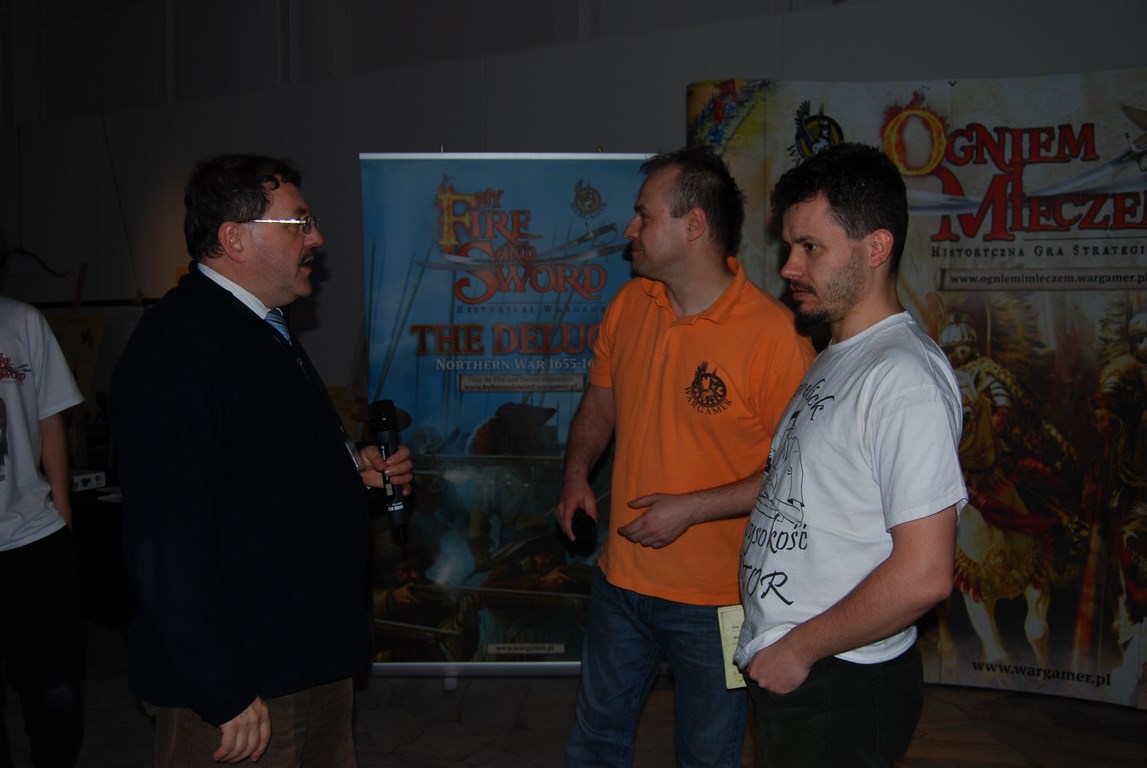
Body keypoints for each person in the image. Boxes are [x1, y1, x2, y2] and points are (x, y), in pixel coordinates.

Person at [110, 154, 413, 767]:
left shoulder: (260, 328)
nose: (316, 238)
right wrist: (221, 687)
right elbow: (165, 540)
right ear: (235, 239)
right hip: (246, 685)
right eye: (299, 222)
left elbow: (257, 472)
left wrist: (352, 474)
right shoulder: (180, 346)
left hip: (308, 659)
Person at [555, 146, 815, 767]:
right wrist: (575, 476)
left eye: (644, 215)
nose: (629, 229)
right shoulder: (630, 304)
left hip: (719, 603)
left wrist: (692, 509)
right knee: (594, 747)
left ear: (693, 225)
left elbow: (800, 476)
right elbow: (599, 403)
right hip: (619, 584)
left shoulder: (776, 338)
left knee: (707, 757)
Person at [734, 142, 967, 767]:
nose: (789, 266)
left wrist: (797, 650)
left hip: (839, 680)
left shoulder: (904, 379)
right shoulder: (840, 353)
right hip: (808, 671)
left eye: (811, 247)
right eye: (790, 246)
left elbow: (925, 573)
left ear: (875, 248)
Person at [0, 295, 85, 768]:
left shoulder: (21, 320)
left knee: (55, 693)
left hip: (33, 536)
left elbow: (50, 420)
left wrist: (64, 517)